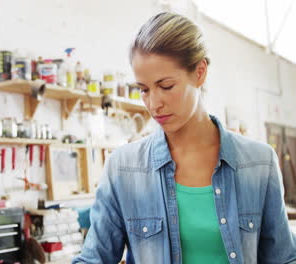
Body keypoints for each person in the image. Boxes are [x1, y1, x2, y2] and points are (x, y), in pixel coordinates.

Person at [72, 12, 296, 264]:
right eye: (143, 90)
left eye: (166, 86)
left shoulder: (258, 162)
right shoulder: (123, 168)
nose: (154, 103)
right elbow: (94, 259)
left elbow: (282, 259)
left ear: (200, 72)